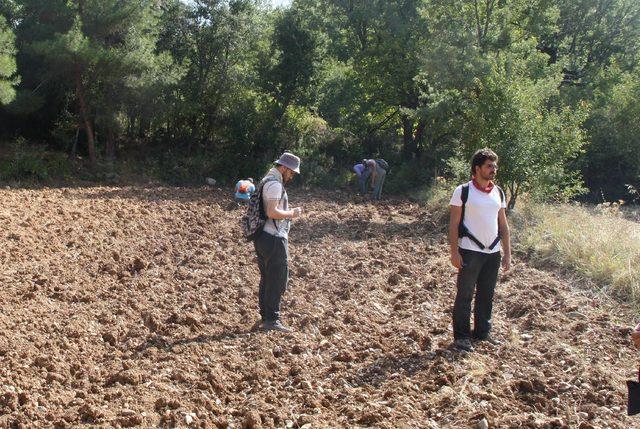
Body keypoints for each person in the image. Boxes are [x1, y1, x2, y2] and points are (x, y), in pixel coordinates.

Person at [449, 148, 511, 352]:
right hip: (469, 251)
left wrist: (507, 253)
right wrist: (454, 252)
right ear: (477, 168)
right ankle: (461, 337)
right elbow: (453, 224)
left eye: (495, 166)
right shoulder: (463, 191)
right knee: (465, 295)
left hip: (492, 253)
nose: (494, 169)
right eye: (489, 166)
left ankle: (483, 333)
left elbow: (503, 225)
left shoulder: (498, 192)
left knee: (487, 294)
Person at [254, 152, 303, 332]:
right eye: (291, 173)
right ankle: (272, 320)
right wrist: (292, 213)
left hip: (262, 237)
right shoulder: (275, 185)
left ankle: (265, 316)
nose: (291, 177)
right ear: (283, 168)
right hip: (273, 237)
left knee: (266, 278)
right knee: (276, 280)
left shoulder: (266, 180)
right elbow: (272, 212)